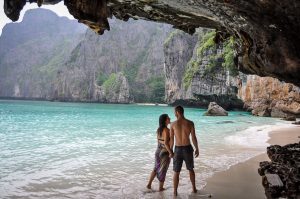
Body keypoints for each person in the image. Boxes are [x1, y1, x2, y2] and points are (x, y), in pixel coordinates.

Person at [170, 105, 199, 196]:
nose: (174, 114)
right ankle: (194, 188)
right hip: (188, 148)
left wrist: (170, 151)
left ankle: (175, 191)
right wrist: (197, 148)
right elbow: (193, 137)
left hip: (178, 149)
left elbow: (172, 140)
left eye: (175, 112)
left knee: (176, 171)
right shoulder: (190, 123)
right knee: (191, 169)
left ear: (177, 112)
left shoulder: (173, 124)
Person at [147, 114, 174, 191]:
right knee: (163, 170)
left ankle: (149, 184)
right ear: (165, 120)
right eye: (168, 118)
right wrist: (171, 152)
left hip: (158, 151)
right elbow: (166, 143)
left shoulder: (159, 129)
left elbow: (159, 142)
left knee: (156, 168)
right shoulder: (166, 130)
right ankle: (160, 188)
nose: (170, 118)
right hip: (165, 152)